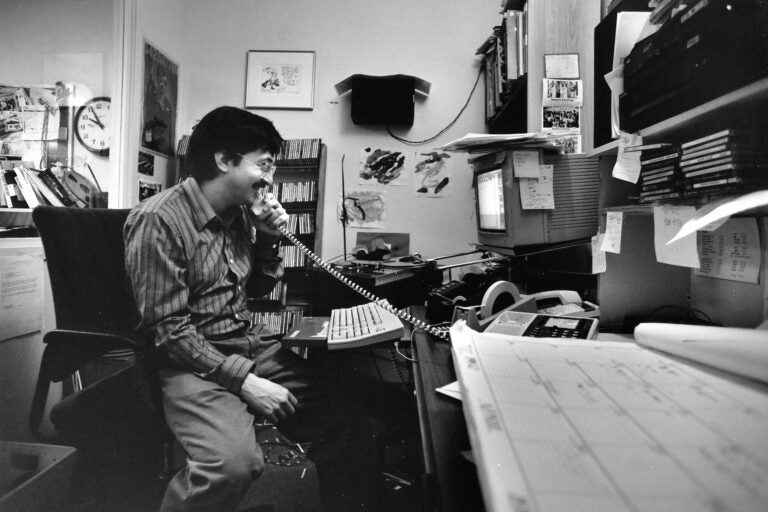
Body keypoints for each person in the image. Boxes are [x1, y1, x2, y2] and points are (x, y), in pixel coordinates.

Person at [124, 106, 382, 511]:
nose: (270, 179)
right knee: (233, 466)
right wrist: (245, 382)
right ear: (224, 159)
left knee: (344, 415)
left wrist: (267, 238)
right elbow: (169, 331)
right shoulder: (159, 220)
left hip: (248, 346)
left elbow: (258, 290)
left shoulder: (241, 215)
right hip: (191, 361)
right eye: (264, 165)